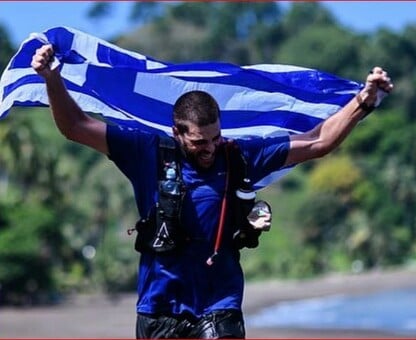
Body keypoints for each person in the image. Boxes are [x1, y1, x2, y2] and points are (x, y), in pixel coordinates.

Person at [31, 43, 393, 339]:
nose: (210, 147)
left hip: (220, 304)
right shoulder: (147, 152)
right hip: (159, 307)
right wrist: (51, 79)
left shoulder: (240, 154)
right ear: (178, 133)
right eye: (200, 141)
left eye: (216, 137)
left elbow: (319, 141)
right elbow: (76, 126)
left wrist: (364, 101)